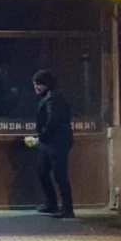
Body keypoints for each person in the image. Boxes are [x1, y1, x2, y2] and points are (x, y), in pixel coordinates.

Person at [33, 70, 75, 219]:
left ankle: (67, 208)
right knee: (42, 171)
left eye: (39, 83)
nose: (36, 87)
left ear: (47, 84)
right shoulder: (49, 97)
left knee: (59, 174)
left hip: (57, 142)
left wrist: (42, 134)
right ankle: (51, 203)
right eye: (35, 84)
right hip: (50, 141)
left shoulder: (53, 98)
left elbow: (53, 120)